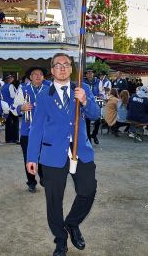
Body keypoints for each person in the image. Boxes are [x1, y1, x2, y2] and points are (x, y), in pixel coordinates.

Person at [26, 53, 100, 256]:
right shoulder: (43, 94)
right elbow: (36, 128)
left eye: (66, 64)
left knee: (88, 189)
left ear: (71, 68)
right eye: (57, 65)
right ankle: (60, 239)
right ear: (52, 70)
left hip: (80, 150)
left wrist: (85, 101)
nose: (62, 68)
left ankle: (72, 223)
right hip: (52, 153)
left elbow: (95, 115)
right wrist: (32, 157)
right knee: (54, 200)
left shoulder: (82, 88)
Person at [12, 66, 49, 193]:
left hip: (46, 131)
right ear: (30, 77)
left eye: (40, 74)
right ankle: (31, 182)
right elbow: (13, 107)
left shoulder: (50, 89)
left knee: (44, 156)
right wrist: (21, 108)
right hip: (28, 131)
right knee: (28, 158)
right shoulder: (23, 89)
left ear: (43, 77)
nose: (38, 76)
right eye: (35, 74)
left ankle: (44, 178)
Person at [83, 68, 101, 144]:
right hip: (86, 102)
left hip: (96, 102)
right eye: (88, 73)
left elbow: (102, 91)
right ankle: (88, 139)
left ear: (93, 74)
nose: (90, 74)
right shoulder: (83, 82)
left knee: (98, 120)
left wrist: (100, 95)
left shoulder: (98, 82)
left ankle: (94, 134)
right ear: (86, 74)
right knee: (87, 121)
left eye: (91, 73)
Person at [1, 74, 18, 143]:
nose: (12, 78)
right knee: (15, 122)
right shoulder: (11, 86)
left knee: (8, 123)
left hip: (5, 106)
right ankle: (15, 138)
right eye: (11, 77)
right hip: (12, 106)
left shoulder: (3, 86)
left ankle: (8, 139)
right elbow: (13, 95)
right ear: (8, 79)